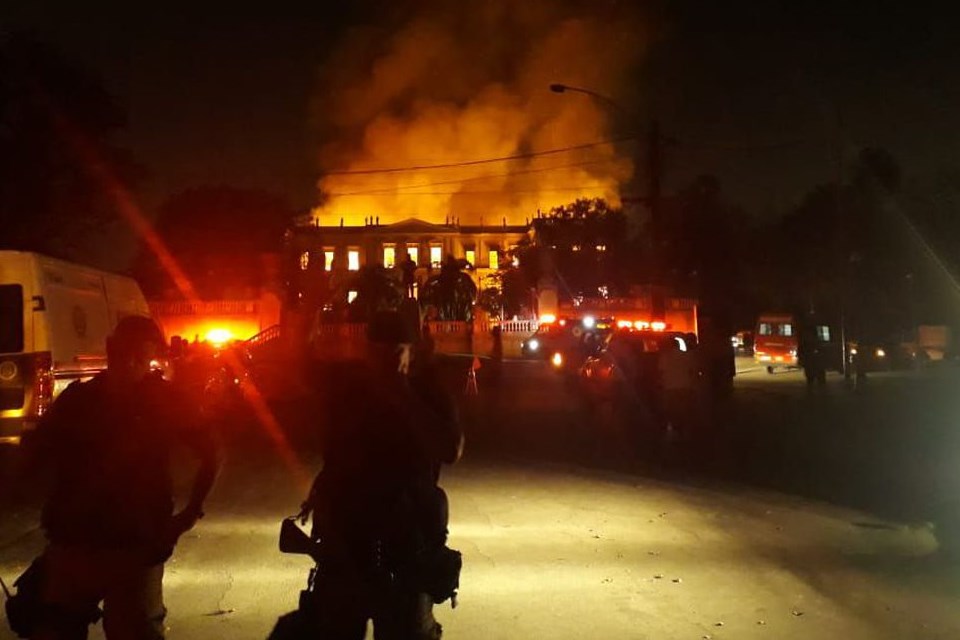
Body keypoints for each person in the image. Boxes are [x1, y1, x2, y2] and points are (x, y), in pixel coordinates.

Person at [17, 316, 220, 640]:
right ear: (112, 350)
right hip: (76, 543)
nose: (131, 363)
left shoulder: (165, 400)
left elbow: (210, 452)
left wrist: (189, 514)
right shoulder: (78, 400)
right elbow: (33, 458)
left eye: (140, 356)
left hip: (133, 547)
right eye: (126, 353)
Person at [297, 310, 463, 639]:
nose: (384, 360)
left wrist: (402, 394)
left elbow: (451, 449)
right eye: (377, 351)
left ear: (411, 352)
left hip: (406, 548)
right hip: (347, 542)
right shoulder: (347, 389)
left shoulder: (426, 392)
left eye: (394, 351)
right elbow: (299, 362)